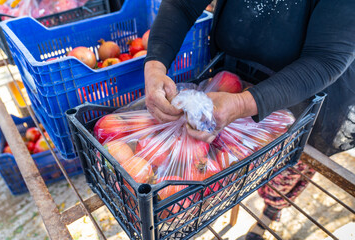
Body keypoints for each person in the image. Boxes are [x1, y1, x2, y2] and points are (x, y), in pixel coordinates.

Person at [143, 0, 355, 239]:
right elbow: (181, 5)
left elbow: (326, 59)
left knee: (284, 173)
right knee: (229, 166)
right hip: (230, 79)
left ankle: (270, 213)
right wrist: (155, 64)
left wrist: (244, 104)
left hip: (300, 97)